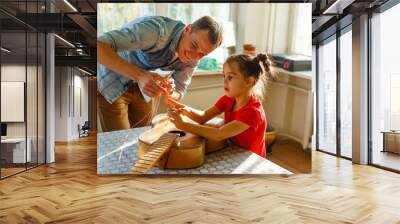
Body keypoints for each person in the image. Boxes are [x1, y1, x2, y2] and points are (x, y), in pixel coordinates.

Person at [97, 15, 223, 132]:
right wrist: (140, 76)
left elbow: (179, 91)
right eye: (194, 45)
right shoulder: (156, 31)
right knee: (118, 142)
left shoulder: (194, 58)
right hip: (112, 80)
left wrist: (169, 92)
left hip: (141, 87)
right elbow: (99, 45)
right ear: (187, 29)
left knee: (143, 137)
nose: (193, 56)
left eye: (202, 54)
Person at [167, 53, 272, 157]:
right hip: (233, 150)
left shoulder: (253, 112)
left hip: (249, 160)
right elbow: (203, 117)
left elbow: (219, 134)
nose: (224, 81)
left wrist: (183, 125)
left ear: (249, 81)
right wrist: (181, 108)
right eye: (224, 76)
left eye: (230, 77)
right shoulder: (228, 99)